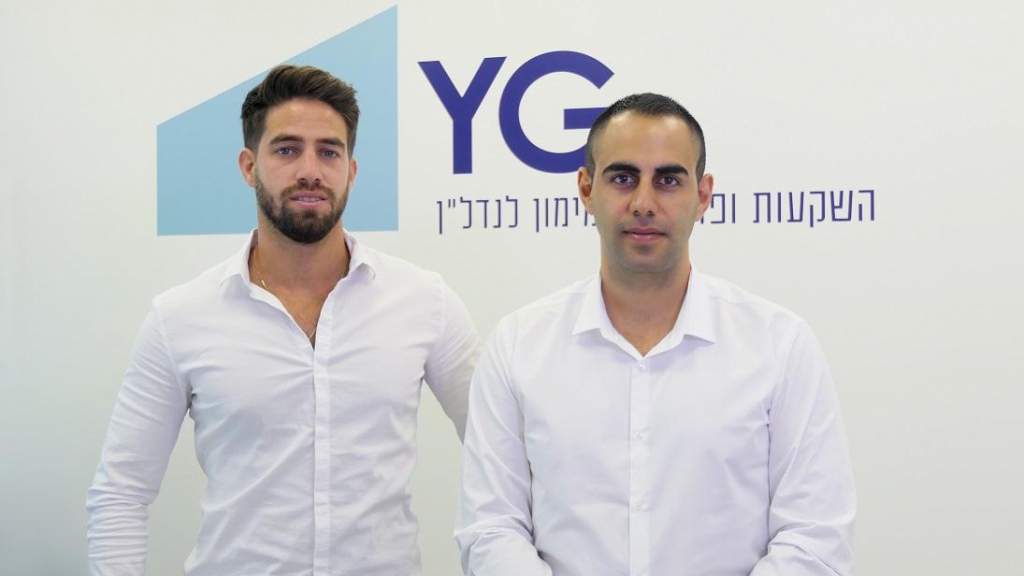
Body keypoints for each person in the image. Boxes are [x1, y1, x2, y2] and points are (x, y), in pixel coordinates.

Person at [87, 65, 480, 575]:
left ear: (351, 171)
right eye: (287, 149)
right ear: (249, 166)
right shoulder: (180, 317)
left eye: (328, 152)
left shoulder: (425, 301)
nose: (310, 171)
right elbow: (121, 492)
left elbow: (501, 454)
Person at [455, 93, 855, 575]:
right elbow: (491, 528)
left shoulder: (780, 345)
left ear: (702, 195)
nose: (643, 203)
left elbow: (814, 537)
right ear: (586, 189)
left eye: (668, 180)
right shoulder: (518, 345)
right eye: (623, 178)